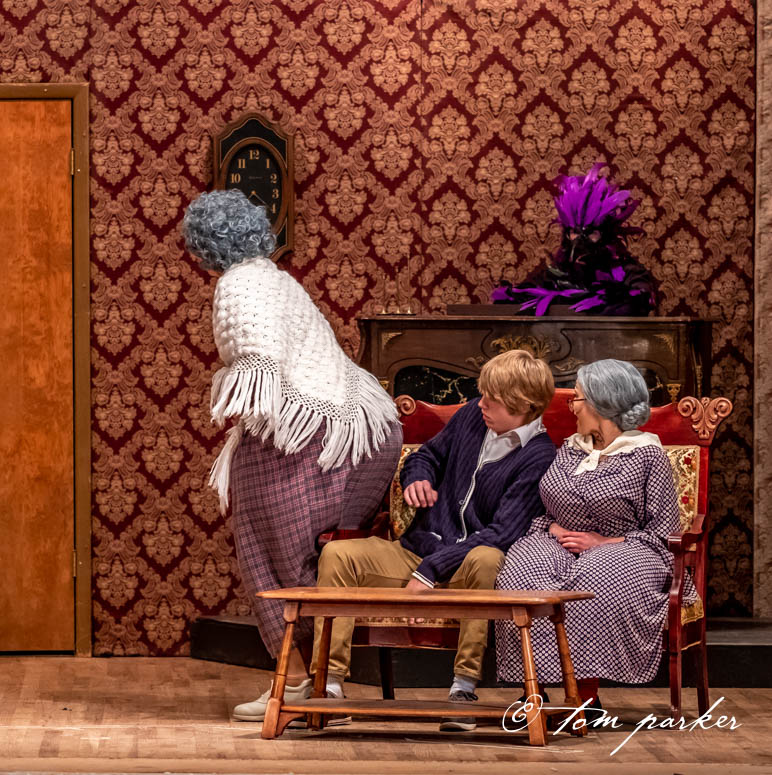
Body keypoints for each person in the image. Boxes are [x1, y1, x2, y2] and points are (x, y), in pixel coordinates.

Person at [181, 190, 403, 723]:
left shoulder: (238, 283)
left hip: (306, 436)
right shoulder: (280, 279)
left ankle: (307, 681)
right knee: (320, 557)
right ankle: (320, 680)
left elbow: (257, 360)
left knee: (269, 554)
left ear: (204, 247)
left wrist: (244, 396)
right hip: (360, 431)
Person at [313, 349, 556, 731]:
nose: (482, 403)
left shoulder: (539, 456)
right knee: (339, 554)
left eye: (492, 399)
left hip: (465, 568)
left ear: (524, 405)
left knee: (488, 557)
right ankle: (328, 687)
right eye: (483, 394)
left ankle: (463, 689)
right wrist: (418, 479)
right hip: (418, 549)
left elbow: (503, 532)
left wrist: (431, 571)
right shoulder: (473, 416)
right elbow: (425, 456)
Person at [495, 359, 688, 716]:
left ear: (602, 403)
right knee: (522, 573)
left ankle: (584, 699)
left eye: (577, 399)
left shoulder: (648, 455)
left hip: (628, 548)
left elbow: (662, 531)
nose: (571, 406)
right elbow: (542, 506)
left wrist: (603, 543)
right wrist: (551, 528)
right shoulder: (571, 449)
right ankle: (532, 692)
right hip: (558, 540)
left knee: (595, 578)